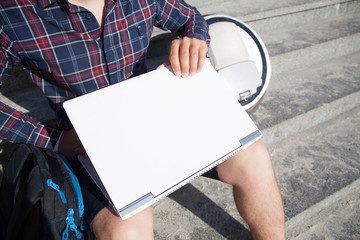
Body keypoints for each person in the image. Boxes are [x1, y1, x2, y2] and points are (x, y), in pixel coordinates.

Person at [0, 0, 285, 239]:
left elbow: (190, 18)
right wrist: (55, 139)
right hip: (95, 146)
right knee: (127, 233)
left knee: (254, 156)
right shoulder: (12, 13)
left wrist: (194, 41)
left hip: (155, 113)